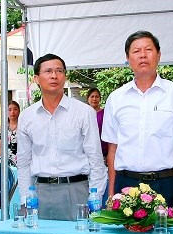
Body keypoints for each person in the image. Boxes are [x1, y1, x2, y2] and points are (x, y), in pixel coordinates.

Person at [101, 31, 173, 216]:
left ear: (159, 55)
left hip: (166, 184)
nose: (142, 55)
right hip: (126, 185)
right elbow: (112, 150)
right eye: (136, 51)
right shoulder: (116, 98)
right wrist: (111, 195)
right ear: (127, 58)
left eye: (148, 49)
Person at [17, 54, 107, 220]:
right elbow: (23, 163)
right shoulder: (27, 116)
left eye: (59, 71)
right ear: (36, 78)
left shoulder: (84, 112)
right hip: (39, 192)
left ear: (65, 77)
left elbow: (95, 159)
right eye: (48, 71)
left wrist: (96, 197)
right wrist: (25, 199)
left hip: (76, 190)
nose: (54, 76)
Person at [86, 87, 108, 157]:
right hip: (88, 150)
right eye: (92, 96)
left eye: (97, 97)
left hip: (103, 150)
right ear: (88, 98)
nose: (94, 99)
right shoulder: (83, 114)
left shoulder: (105, 113)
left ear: (100, 99)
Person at [2, 100, 21, 165]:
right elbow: (0, 147)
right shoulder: (3, 128)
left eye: (15, 109)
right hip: (6, 162)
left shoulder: (23, 127)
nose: (12, 112)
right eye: (9, 110)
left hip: (20, 161)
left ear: (19, 111)